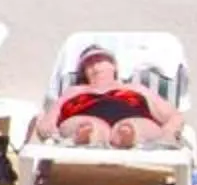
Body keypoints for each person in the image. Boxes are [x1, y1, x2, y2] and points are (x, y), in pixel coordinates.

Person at [33, 46, 183, 149]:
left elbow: (173, 116)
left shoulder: (134, 88)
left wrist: (168, 131)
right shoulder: (74, 91)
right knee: (86, 126)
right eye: (89, 64)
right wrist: (49, 132)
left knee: (134, 126)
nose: (95, 67)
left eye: (100, 61)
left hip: (133, 116)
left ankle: (128, 135)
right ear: (83, 72)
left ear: (114, 66)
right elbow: (50, 118)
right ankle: (88, 136)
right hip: (84, 117)